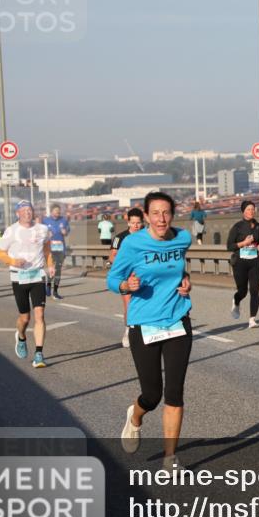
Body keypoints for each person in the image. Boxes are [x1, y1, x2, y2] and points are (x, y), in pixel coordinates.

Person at [108, 192, 193, 470]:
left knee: (175, 392)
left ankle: (170, 457)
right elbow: (113, 278)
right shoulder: (133, 243)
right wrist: (126, 287)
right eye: (155, 213)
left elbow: (179, 267)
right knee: (152, 395)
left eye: (166, 212)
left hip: (177, 319)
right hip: (144, 324)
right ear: (145, 216)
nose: (161, 219)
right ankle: (135, 416)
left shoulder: (183, 238)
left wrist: (186, 281)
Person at [0, 200, 55, 368]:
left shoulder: (42, 229)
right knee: (25, 318)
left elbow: (47, 250)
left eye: (30, 209)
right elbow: (0, 254)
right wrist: (13, 261)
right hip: (19, 277)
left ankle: (39, 354)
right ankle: (21, 337)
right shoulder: (11, 231)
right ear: (18, 214)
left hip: (37, 276)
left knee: (40, 315)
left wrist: (50, 265)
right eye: (24, 210)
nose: (28, 213)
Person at [109, 207, 146, 347]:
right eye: (133, 223)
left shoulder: (147, 235)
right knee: (129, 305)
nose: (136, 226)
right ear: (128, 223)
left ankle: (145, 331)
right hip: (126, 277)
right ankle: (128, 331)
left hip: (143, 276)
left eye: (138, 223)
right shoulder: (120, 238)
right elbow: (112, 257)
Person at [227, 200, 259, 329]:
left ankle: (252, 319)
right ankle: (236, 301)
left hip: (254, 261)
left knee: (254, 290)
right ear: (243, 211)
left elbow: (258, 242)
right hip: (240, 262)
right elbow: (229, 246)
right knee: (242, 291)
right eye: (248, 209)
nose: (251, 211)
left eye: (253, 209)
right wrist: (243, 243)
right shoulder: (237, 227)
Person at [42, 204, 71, 299]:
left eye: (58, 211)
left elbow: (67, 231)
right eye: (55, 211)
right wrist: (47, 234)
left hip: (60, 248)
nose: (57, 213)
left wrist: (65, 232)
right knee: (52, 269)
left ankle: (55, 292)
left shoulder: (63, 220)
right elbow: (40, 233)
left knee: (58, 270)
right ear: (51, 211)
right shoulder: (45, 221)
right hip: (50, 248)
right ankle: (48, 286)